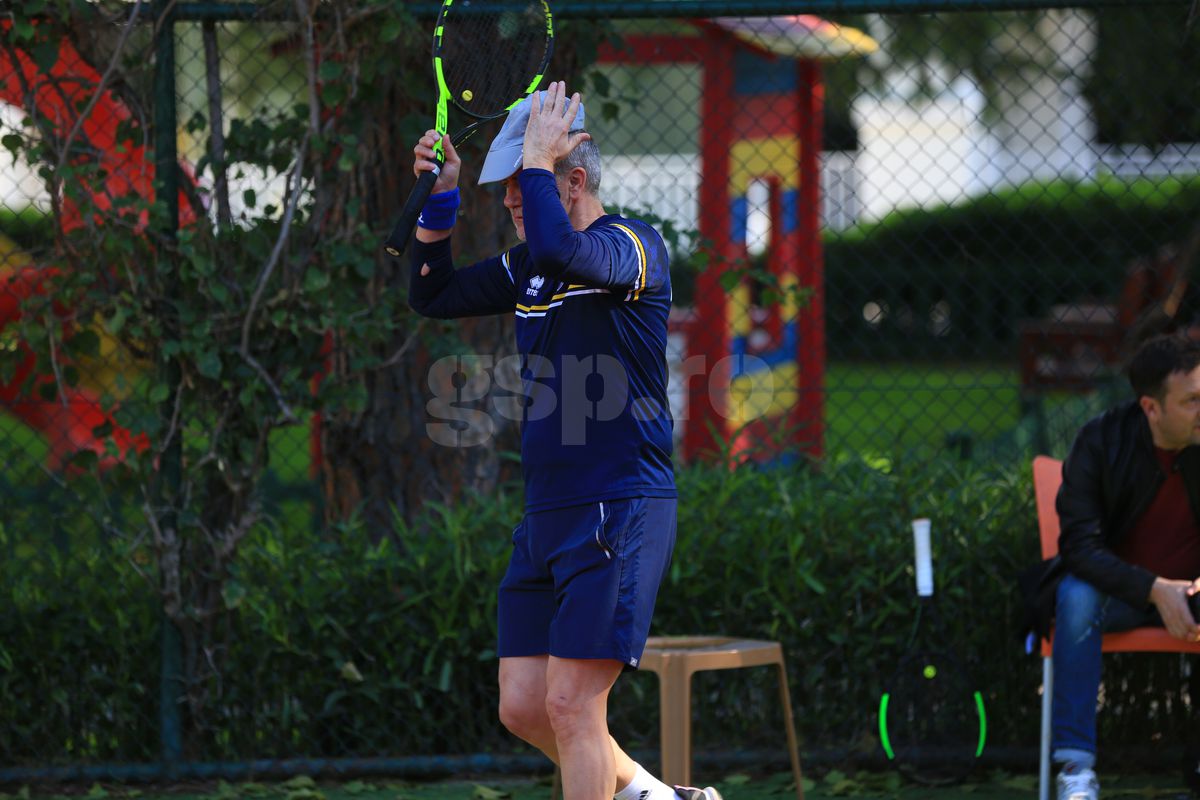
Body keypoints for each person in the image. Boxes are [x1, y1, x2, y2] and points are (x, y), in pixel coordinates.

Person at [406, 81, 722, 800]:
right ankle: (658, 796)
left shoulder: (633, 249)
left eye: (526, 185)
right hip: (547, 515)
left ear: (573, 180)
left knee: (573, 707)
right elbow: (433, 293)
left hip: (619, 508)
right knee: (522, 704)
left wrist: (543, 161)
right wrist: (441, 197)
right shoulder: (530, 269)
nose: (512, 202)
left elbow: (559, 243)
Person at [1045, 332, 1200, 800]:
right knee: (1074, 596)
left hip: (1195, 594)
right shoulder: (1100, 440)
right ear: (1151, 408)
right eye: (1192, 401)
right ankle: (1076, 769)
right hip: (1122, 596)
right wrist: (1153, 588)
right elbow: (1078, 547)